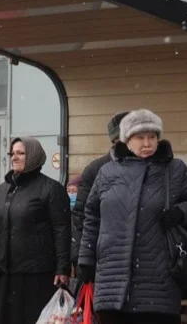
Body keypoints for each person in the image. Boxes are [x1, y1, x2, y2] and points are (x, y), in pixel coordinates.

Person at [77, 109, 187, 324]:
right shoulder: (107, 172)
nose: (147, 143)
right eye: (140, 137)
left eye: (152, 136)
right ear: (126, 140)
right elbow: (92, 217)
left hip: (158, 281)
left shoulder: (175, 170)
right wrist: (86, 259)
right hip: (112, 281)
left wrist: (181, 213)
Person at [0, 137, 70, 324]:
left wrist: (62, 268)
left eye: (20, 153)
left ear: (33, 156)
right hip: (5, 273)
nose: (14, 157)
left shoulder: (51, 189)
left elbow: (61, 230)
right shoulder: (2, 190)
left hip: (37, 273)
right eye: (12, 153)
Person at [71, 111, 127, 266]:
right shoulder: (96, 169)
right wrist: (85, 257)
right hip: (106, 255)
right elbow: (82, 216)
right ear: (115, 140)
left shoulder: (153, 167)